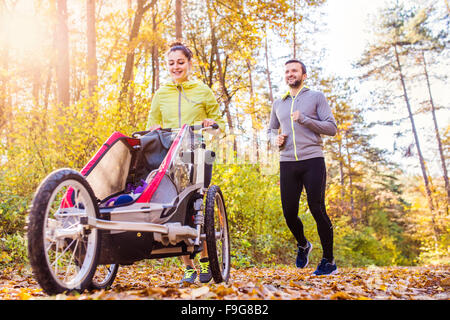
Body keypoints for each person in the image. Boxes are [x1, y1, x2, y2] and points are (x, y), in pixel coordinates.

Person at [146, 42, 225, 284]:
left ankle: (204, 261)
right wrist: (154, 129)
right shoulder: (161, 94)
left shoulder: (202, 91)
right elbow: (152, 125)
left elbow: (219, 125)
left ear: (189, 64)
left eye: (180, 62)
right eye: (171, 63)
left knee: (199, 206)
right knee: (175, 208)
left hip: (197, 151)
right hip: (169, 155)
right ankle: (188, 267)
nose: (176, 67)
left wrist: (212, 124)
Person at [268, 59, 338, 275]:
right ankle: (303, 245)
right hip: (287, 162)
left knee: (317, 208)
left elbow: (331, 128)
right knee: (289, 213)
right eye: (287, 71)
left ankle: (328, 261)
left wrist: (305, 120)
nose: (290, 74)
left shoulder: (316, 97)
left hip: (312, 160)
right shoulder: (279, 102)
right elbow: (270, 130)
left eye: (294, 71)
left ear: (303, 75)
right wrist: (274, 139)